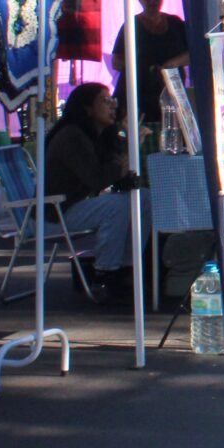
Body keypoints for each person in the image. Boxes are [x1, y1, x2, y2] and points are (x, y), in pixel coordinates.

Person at [44, 82, 143, 299]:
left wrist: (123, 140)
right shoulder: (71, 136)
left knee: (142, 200)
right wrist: (128, 149)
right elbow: (97, 178)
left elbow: (112, 175)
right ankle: (106, 274)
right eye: (105, 101)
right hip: (53, 213)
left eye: (113, 101)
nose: (112, 106)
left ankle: (128, 267)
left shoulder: (95, 136)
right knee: (118, 205)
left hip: (69, 206)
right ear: (87, 108)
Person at [111, 0, 191, 125]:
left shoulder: (176, 23)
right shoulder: (131, 25)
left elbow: (193, 53)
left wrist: (170, 64)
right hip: (139, 93)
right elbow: (116, 61)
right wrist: (140, 66)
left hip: (171, 91)